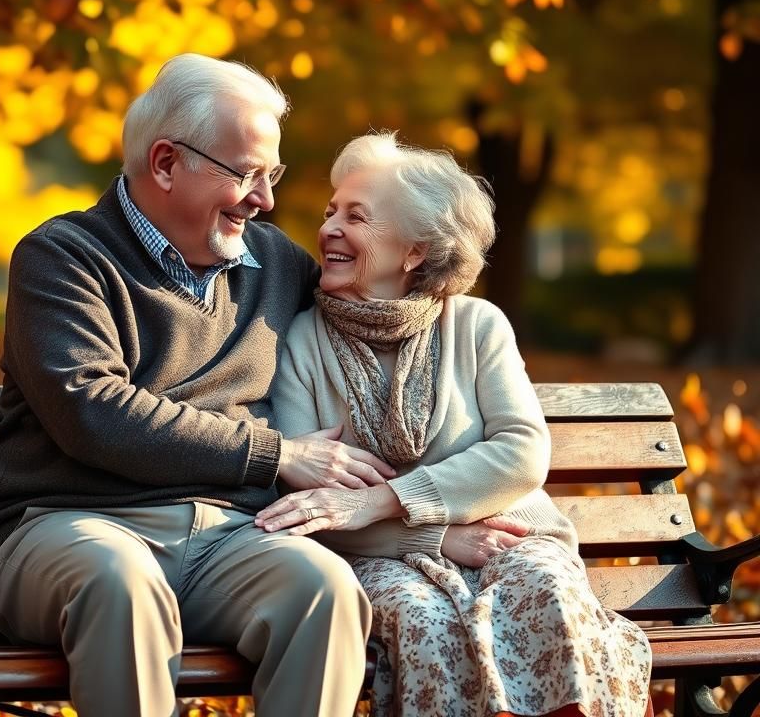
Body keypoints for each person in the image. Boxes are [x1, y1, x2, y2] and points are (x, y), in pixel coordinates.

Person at [0, 54, 394, 717]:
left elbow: (379, 328)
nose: (267, 199)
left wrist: (433, 507)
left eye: (272, 174)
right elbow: (93, 409)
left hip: (227, 536)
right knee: (121, 581)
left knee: (325, 589)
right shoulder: (63, 257)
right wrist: (276, 455)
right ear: (167, 163)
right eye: (248, 173)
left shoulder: (278, 264)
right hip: (71, 529)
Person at [257, 132, 653, 717]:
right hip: (379, 559)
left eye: (357, 216)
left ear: (414, 251)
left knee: (545, 591)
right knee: (424, 622)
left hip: (511, 535)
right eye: (330, 211)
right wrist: (435, 536)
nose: (330, 228)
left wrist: (388, 497)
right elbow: (313, 506)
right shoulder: (300, 341)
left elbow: (520, 451)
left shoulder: (475, 325)